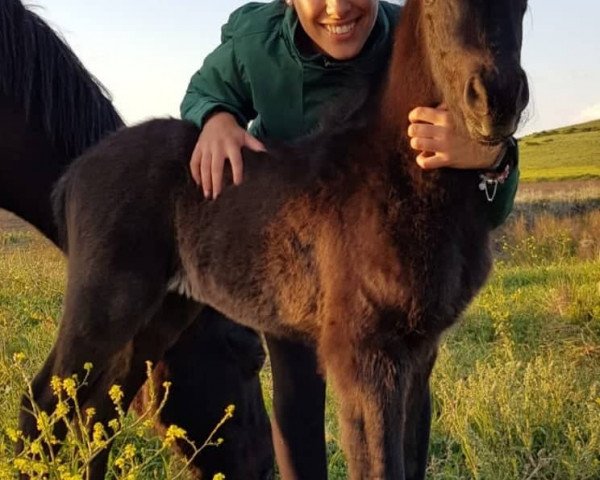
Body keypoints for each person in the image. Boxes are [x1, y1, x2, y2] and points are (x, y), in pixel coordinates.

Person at [180, 0, 520, 478]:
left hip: (386, 250)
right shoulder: (257, 40)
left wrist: (488, 152)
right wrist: (214, 117)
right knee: (296, 383)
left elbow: (482, 112)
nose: (338, 7)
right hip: (296, 248)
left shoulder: (412, 31)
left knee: (407, 378)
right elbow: (206, 89)